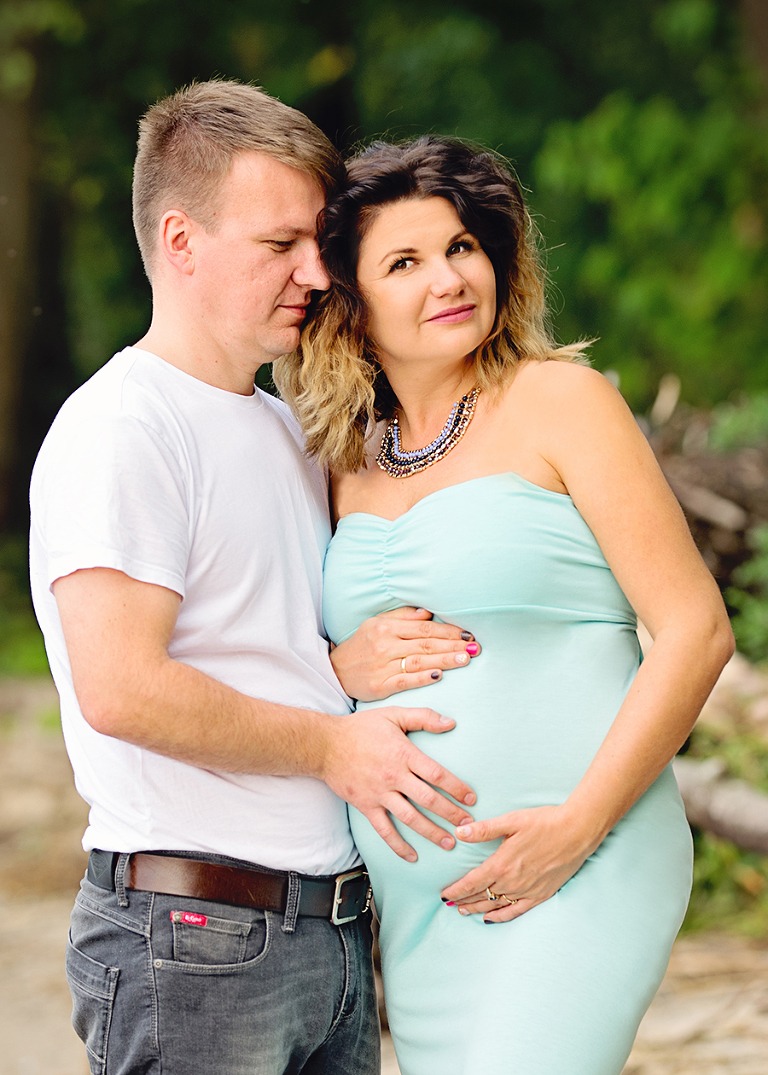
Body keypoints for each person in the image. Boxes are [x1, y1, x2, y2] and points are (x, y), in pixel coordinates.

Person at [29, 85, 484, 1075]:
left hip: (327, 935)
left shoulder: (282, 426)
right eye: (280, 244)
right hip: (195, 938)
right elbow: (122, 686)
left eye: (318, 242)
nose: (316, 272)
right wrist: (334, 742)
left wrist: (336, 663)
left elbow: (252, 644)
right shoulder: (123, 428)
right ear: (182, 241)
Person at [273, 135, 735, 1075]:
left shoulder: (560, 401)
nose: (447, 277)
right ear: (354, 309)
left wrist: (576, 827)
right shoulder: (338, 465)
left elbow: (696, 632)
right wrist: (338, 666)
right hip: (423, 911)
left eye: (461, 247)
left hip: (584, 859)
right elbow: (284, 658)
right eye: (404, 262)